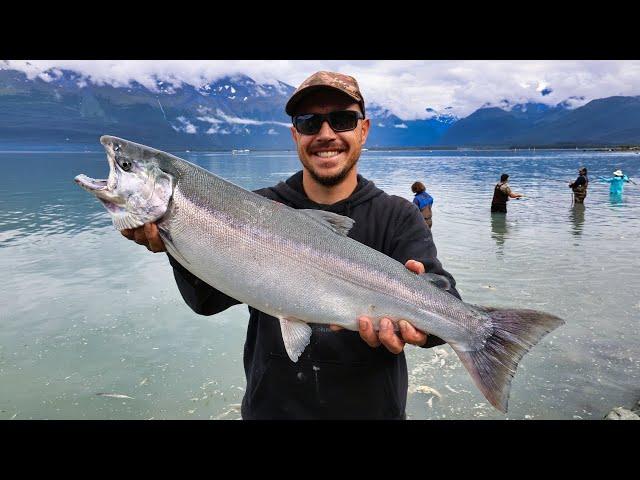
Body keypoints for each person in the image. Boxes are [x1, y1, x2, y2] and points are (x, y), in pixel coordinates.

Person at [119, 70, 460, 420]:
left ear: (364, 129)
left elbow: (447, 307)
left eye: (342, 120)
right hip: (271, 411)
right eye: (310, 122)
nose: (326, 134)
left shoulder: (398, 215)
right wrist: (176, 240)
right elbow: (206, 301)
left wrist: (420, 326)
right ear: (295, 134)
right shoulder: (254, 208)